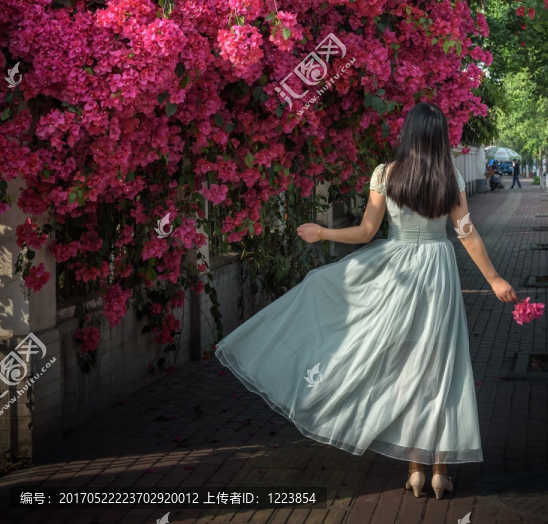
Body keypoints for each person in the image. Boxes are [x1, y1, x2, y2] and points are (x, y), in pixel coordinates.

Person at [214, 102, 517, 501]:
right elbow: (467, 234)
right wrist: (494, 279)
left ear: (408, 133)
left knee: (406, 367)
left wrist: (323, 233)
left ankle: (414, 471)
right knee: (441, 368)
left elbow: (365, 232)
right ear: (440, 136)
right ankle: (440, 472)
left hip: (395, 272)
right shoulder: (451, 176)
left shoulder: (384, 174)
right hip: (438, 273)